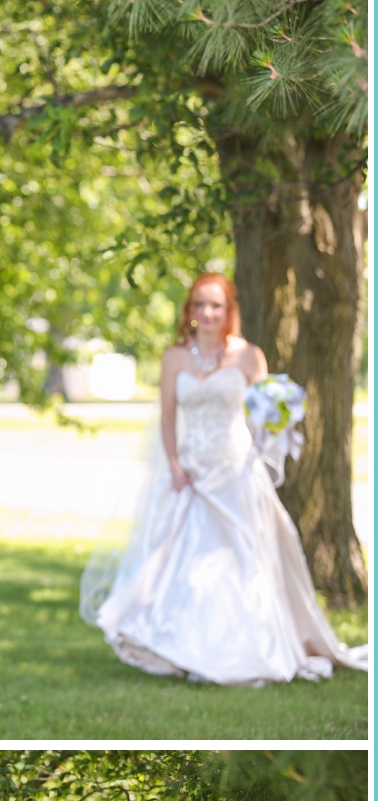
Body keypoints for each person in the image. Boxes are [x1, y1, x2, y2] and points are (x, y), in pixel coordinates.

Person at [80, 271, 367, 685]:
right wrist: (175, 465)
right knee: (183, 563)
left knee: (239, 564)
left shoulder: (249, 356)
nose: (207, 312)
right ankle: (184, 647)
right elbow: (167, 415)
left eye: (215, 305)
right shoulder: (174, 358)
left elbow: (265, 413)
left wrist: (278, 422)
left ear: (228, 310)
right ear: (190, 311)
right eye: (199, 304)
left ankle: (245, 651)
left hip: (236, 473)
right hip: (191, 472)